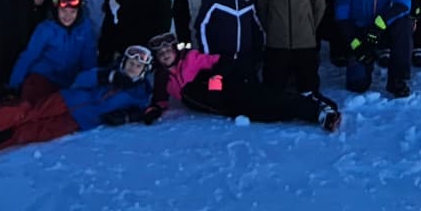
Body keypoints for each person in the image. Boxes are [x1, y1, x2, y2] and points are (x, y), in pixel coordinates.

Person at [0, 45, 153, 161]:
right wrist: (106, 77)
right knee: (27, 112)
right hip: (67, 99)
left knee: (31, 133)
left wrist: (129, 116)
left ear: (144, 71)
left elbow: (146, 107)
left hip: (78, 121)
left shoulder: (140, 91)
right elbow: (79, 81)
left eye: (138, 66)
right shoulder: (107, 73)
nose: (133, 68)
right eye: (131, 63)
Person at [142, 33, 339, 132]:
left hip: (232, 88)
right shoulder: (163, 79)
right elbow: (160, 100)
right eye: (161, 54)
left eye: (168, 50)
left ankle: (318, 112)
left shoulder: (191, 59)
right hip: (224, 106)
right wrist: (153, 111)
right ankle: (305, 100)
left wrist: (216, 79)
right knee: (268, 115)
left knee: (270, 102)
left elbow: (221, 61)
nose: (166, 55)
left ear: (175, 50)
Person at [6, 0, 98, 101]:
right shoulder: (45, 28)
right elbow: (29, 56)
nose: (67, 16)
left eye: (72, 12)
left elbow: (89, 58)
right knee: (33, 102)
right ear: (56, 9)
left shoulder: (85, 29)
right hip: (43, 76)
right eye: (63, 11)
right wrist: (14, 85)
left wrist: (92, 84)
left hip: (69, 81)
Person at [193, 0, 263, 83]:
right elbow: (202, 26)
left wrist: (257, 54)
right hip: (220, 63)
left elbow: (258, 26)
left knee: (249, 94)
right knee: (217, 93)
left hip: (246, 62)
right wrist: (209, 57)